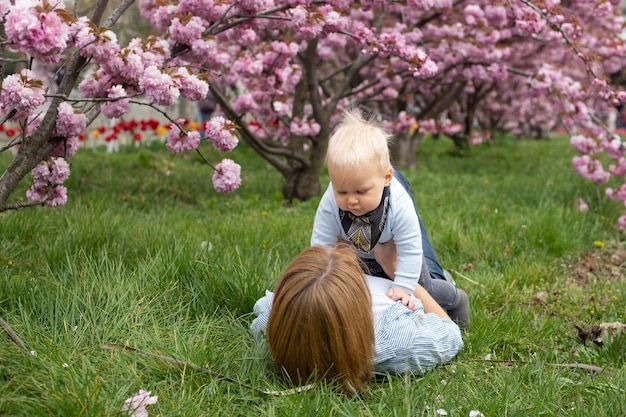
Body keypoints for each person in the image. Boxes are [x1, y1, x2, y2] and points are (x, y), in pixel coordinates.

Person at [310, 108, 470, 328]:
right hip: (359, 255)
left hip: (398, 256)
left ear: (386, 177)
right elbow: (321, 244)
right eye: (343, 192)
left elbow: (411, 249)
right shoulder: (330, 201)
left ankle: (455, 298)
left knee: (425, 288)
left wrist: (403, 287)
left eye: (361, 192)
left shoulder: (398, 204)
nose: (352, 201)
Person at [250, 244, 464, 395]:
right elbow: (450, 331)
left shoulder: (270, 326)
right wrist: (404, 277)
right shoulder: (399, 342)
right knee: (395, 190)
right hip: (403, 276)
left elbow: (264, 306)